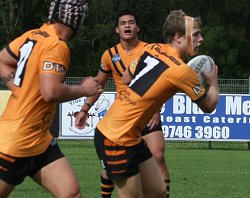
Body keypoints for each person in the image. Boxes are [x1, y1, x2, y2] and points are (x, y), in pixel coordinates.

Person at [88, 9, 220, 198]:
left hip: (130, 135)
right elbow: (209, 106)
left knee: (158, 192)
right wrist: (213, 84)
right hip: (116, 137)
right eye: (196, 34)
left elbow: (126, 78)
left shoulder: (150, 49)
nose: (201, 39)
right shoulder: (183, 72)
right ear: (178, 37)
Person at [0, 0, 103, 197]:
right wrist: (83, 89)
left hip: (39, 141)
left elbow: (3, 60)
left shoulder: (32, 35)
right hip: (14, 142)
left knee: (71, 193)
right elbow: (51, 92)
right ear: (75, 18)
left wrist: (19, 89)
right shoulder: (56, 45)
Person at [75, 9, 171, 197]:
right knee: (109, 167)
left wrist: (157, 108)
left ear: (137, 27)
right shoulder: (109, 55)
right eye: (123, 23)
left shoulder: (150, 50)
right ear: (117, 30)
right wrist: (84, 109)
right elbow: (98, 85)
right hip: (122, 118)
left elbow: (163, 81)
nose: (127, 25)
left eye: (131, 22)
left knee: (158, 156)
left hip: (146, 115)